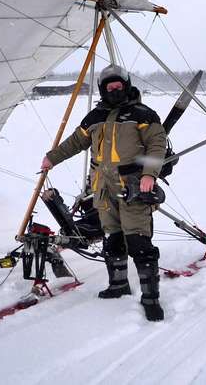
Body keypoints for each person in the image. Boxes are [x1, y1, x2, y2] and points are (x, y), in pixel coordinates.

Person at [41, 65, 167, 321]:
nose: (114, 89)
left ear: (126, 84)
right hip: (103, 187)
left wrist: (148, 175)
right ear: (102, 89)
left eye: (118, 85)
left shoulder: (142, 113)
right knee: (112, 239)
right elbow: (76, 142)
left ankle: (151, 298)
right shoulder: (95, 116)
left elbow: (157, 143)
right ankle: (119, 285)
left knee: (139, 242)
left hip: (131, 185)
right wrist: (51, 158)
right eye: (108, 87)